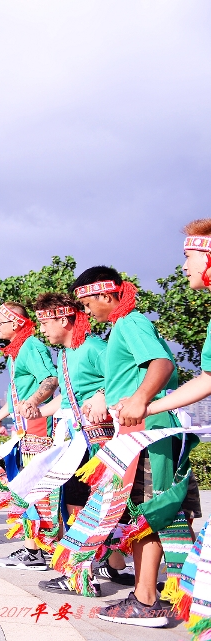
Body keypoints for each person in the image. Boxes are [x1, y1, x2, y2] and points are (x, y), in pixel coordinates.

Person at [60, 266, 198, 627]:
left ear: (106, 295)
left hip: (146, 434)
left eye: (86, 302)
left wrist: (138, 399)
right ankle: (166, 592)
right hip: (140, 432)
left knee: (146, 514)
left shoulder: (129, 323)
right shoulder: (124, 327)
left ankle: (145, 599)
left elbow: (162, 364)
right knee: (158, 514)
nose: (85, 311)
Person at [30, 293, 128, 597]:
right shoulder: (64, 355)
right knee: (75, 502)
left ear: (63, 319)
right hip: (79, 440)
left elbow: (121, 380)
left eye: (45, 322)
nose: (42, 330)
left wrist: (102, 393)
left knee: (93, 505)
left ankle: (85, 574)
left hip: (101, 442)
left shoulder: (96, 348)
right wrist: (37, 406)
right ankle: (106, 566)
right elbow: (69, 398)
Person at [138, 223, 211, 627]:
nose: (184, 266)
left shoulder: (131, 326)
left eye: (190, 256)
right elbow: (206, 378)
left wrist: (143, 404)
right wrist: (148, 407)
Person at [0, 302, 61, 572]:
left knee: (35, 488)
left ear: (16, 323)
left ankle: (36, 552)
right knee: (26, 487)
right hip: (24, 428)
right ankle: (36, 548)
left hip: (38, 427)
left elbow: (51, 379)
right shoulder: (15, 353)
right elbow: (14, 397)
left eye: (0, 321)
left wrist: (32, 401)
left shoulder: (32, 346)